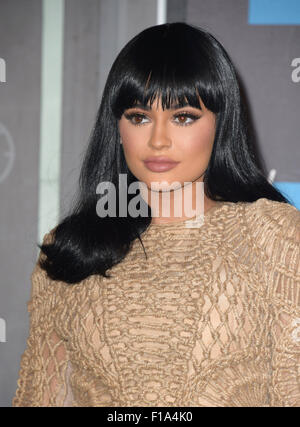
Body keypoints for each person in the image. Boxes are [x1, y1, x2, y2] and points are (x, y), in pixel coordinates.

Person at [12, 22, 299, 407]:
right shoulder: (70, 251)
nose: (158, 140)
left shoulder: (274, 240)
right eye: (139, 116)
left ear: (220, 124)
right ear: (116, 127)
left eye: (183, 117)